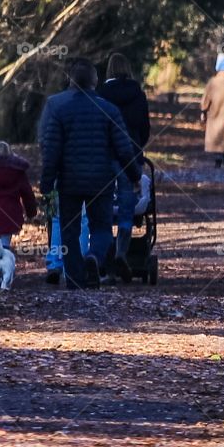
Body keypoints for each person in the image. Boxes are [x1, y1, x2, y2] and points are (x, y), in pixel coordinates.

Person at [39, 58, 141, 290]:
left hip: (69, 181)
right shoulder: (109, 110)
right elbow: (124, 149)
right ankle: (94, 256)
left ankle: (75, 278)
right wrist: (135, 176)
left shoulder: (60, 109)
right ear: (95, 81)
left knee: (70, 230)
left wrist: (47, 182)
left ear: (71, 81)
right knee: (102, 227)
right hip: (102, 181)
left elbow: (51, 147)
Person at [98, 51, 150, 282]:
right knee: (128, 204)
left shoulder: (100, 95)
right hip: (131, 154)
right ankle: (122, 252)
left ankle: (108, 260)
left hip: (106, 155)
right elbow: (145, 126)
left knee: (106, 206)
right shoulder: (138, 94)